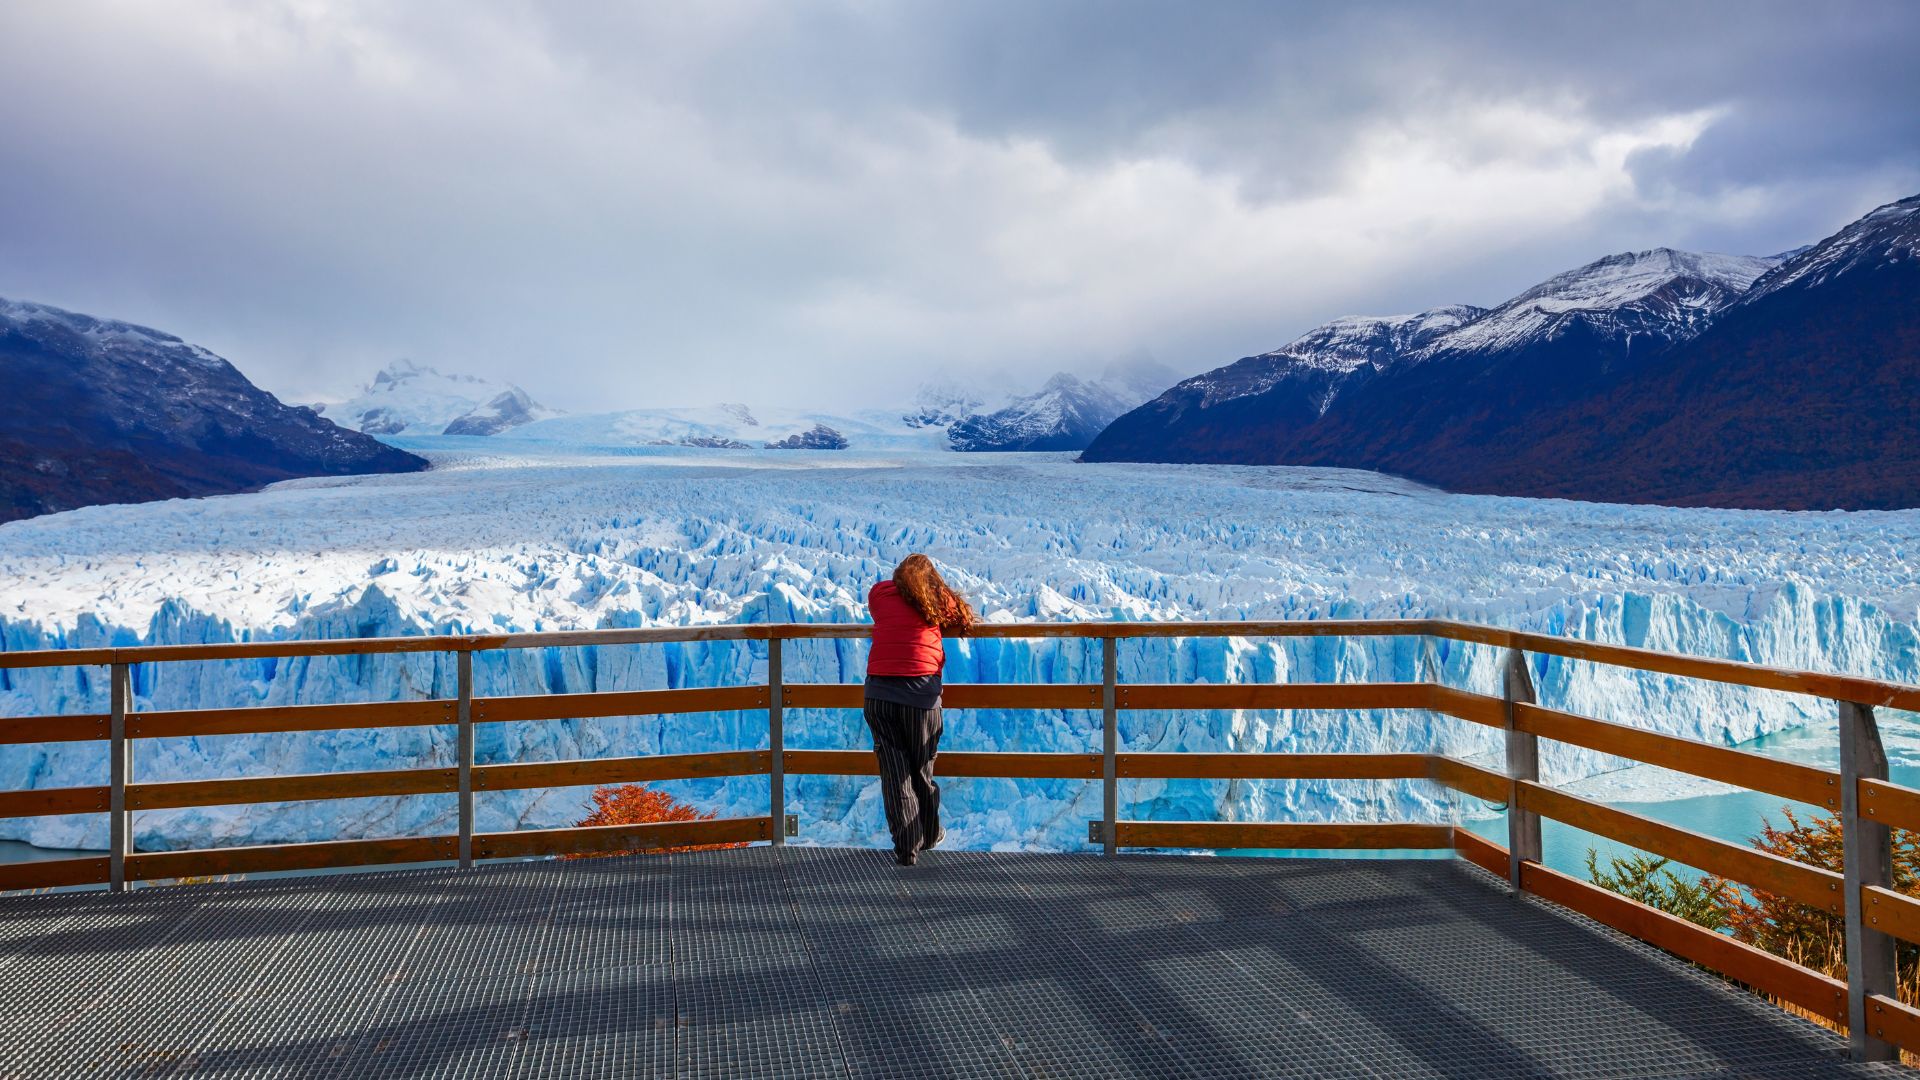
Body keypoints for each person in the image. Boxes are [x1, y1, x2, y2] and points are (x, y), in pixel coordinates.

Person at [865, 553, 975, 866]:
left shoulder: (881, 594)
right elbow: (958, 615)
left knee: (895, 774)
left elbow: (878, 602)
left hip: (879, 696)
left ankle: (907, 848)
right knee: (921, 772)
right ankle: (927, 835)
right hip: (920, 699)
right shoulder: (937, 601)